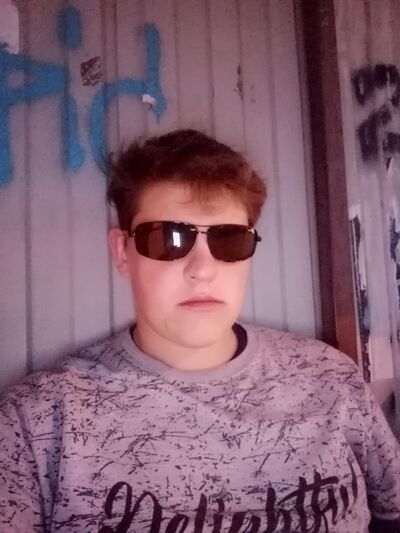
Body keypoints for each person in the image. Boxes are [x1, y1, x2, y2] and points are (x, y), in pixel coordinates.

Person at [0, 129, 399, 533]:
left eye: (230, 239)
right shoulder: (38, 421)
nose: (203, 269)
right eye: (169, 239)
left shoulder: (331, 378)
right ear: (123, 252)